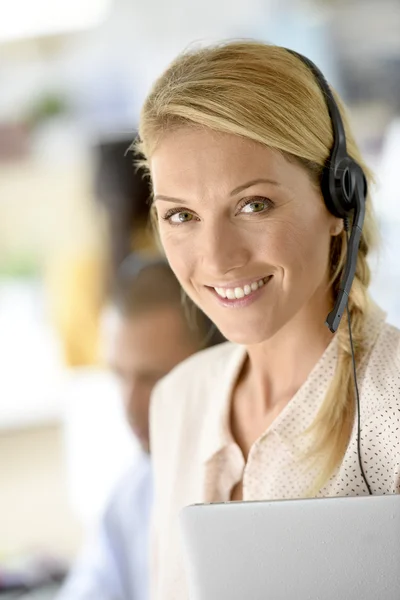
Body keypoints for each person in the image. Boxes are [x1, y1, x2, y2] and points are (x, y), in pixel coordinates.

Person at [133, 41, 400, 599]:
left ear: (337, 201)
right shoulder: (179, 399)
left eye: (253, 205)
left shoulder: (392, 400)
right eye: (181, 215)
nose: (216, 257)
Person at [57, 255, 224, 600]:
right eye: (120, 375)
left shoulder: (258, 483)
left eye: (153, 378)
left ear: (214, 364)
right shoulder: (132, 494)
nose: (130, 406)